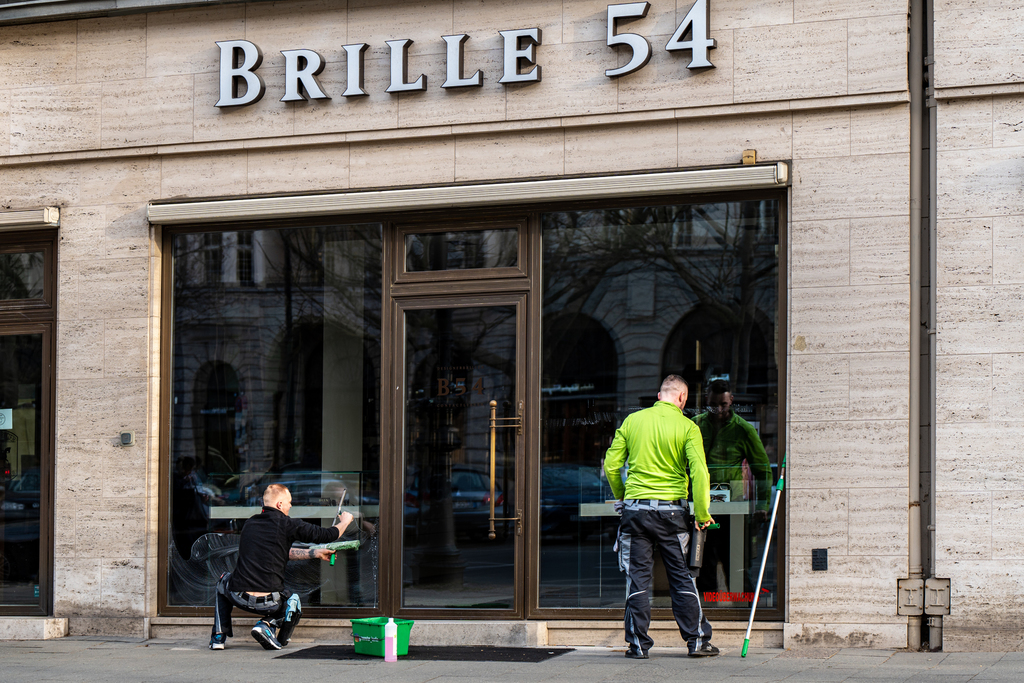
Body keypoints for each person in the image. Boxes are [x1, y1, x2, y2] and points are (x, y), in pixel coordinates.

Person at [603, 375, 719, 659]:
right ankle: (696, 642)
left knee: (637, 581)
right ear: (682, 398)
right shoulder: (688, 427)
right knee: (682, 578)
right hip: (672, 514)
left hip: (635, 513)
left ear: (659, 396)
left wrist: (623, 496)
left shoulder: (633, 421)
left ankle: (638, 645)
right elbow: (699, 472)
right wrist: (702, 513)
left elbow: (611, 464)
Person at [209, 483, 354, 651]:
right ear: (279, 504)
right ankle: (267, 625)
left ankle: (218, 637)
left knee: (223, 581)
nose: (290, 506)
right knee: (293, 601)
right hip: (269, 603)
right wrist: (345, 521)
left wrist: (315, 553)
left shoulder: (250, 524)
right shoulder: (289, 524)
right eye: (289, 502)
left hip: (238, 596)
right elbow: (329, 535)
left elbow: (278, 551)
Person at [692, 379, 772, 595]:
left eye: (723, 405)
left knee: (737, 570)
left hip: (733, 510)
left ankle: (744, 609)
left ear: (731, 401)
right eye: (713, 405)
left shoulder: (743, 429)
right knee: (703, 570)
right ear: (706, 400)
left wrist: (762, 506)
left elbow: (763, 470)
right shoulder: (695, 425)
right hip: (703, 508)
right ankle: (705, 611)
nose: (718, 410)